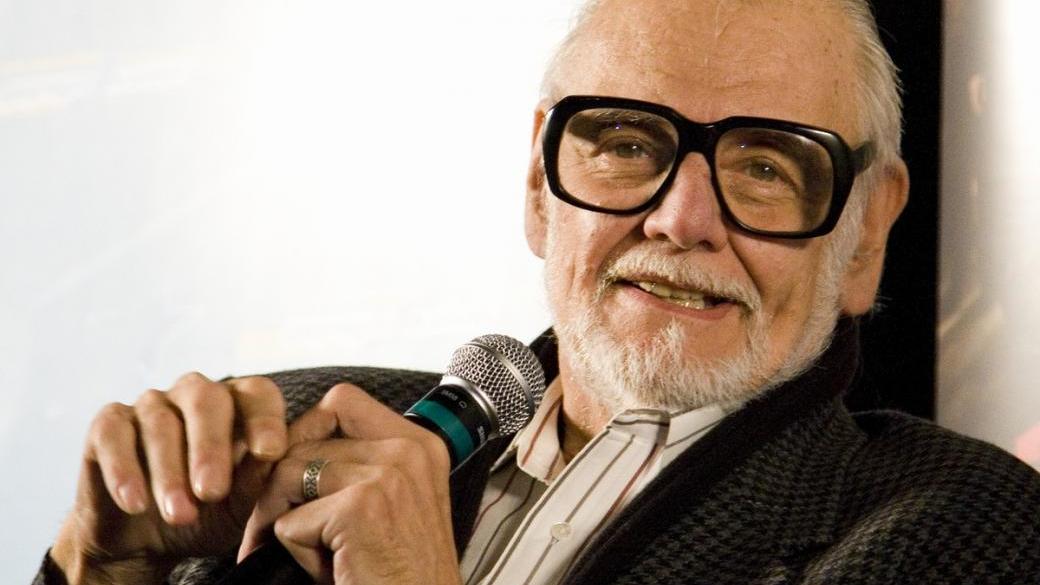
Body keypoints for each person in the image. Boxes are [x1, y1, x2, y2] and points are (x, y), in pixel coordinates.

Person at [36, 0, 1040, 583]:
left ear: (865, 236)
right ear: (536, 184)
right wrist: (103, 566)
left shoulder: (963, 529)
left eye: (766, 166)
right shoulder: (294, 420)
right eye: (628, 142)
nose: (681, 217)